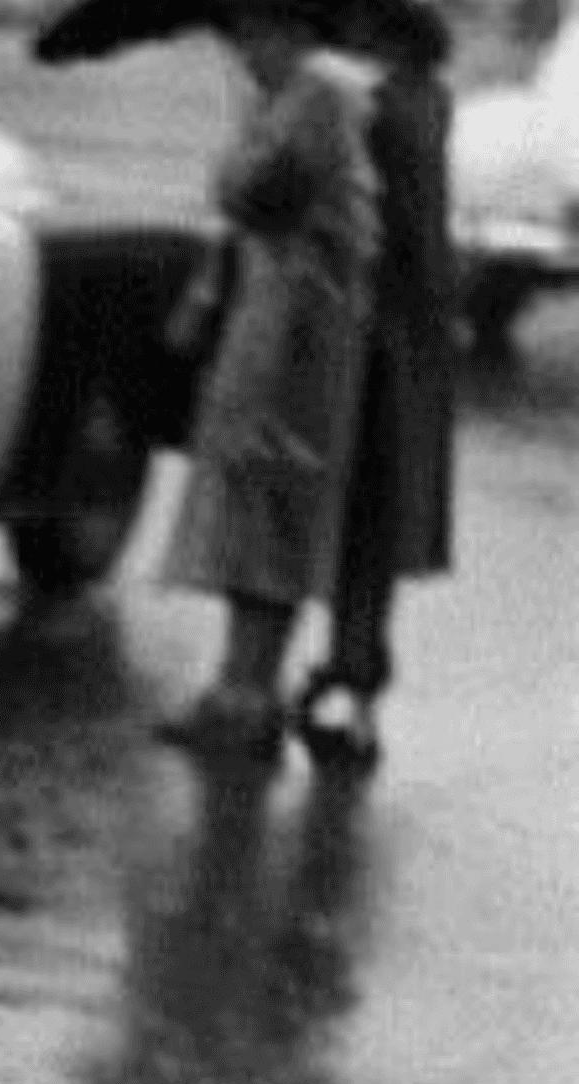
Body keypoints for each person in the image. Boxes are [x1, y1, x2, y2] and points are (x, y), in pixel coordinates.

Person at [156, 0, 381, 762]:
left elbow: (252, 190)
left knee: (275, 494)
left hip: (303, 326)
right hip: (271, 312)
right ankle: (235, 682)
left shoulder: (320, 91)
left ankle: (252, 693)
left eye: (253, 32)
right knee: (247, 496)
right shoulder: (288, 94)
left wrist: (238, 164)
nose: (245, 48)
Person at [292, 0, 457, 771]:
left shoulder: (373, 104)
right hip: (412, 341)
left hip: (370, 337)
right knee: (381, 526)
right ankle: (356, 686)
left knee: (353, 516)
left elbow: (406, 230)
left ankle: (341, 678)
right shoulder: (429, 97)